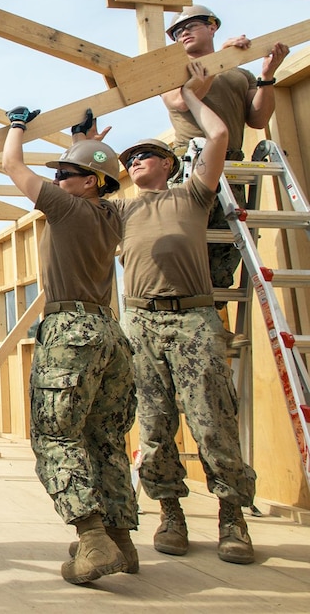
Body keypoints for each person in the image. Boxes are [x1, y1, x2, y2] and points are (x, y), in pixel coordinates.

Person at [91, 61, 257, 565]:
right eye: (131, 158)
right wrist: (93, 145)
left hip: (193, 319)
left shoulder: (194, 196)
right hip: (140, 321)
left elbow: (221, 134)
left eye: (147, 155)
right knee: (155, 424)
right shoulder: (120, 210)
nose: (138, 160)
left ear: (168, 164)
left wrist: (190, 97)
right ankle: (170, 513)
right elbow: (78, 188)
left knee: (212, 419)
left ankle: (232, 517)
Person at [1, 107, 137, 584]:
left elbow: (12, 167)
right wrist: (85, 145)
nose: (57, 178)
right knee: (104, 438)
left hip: (71, 332)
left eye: (66, 173)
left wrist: (16, 126)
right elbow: (93, 169)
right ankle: (121, 540)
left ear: (91, 183)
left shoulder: (65, 207)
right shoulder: (112, 214)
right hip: (109, 335)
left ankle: (93, 539)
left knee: (56, 436)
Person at [161, 5, 290, 293]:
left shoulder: (239, 73)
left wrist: (266, 76)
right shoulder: (172, 73)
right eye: (177, 32)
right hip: (194, 163)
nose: (182, 34)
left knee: (224, 250)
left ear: (212, 27)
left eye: (190, 26)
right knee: (188, 244)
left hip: (230, 166)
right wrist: (219, 62)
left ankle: (217, 320)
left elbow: (257, 118)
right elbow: (183, 102)